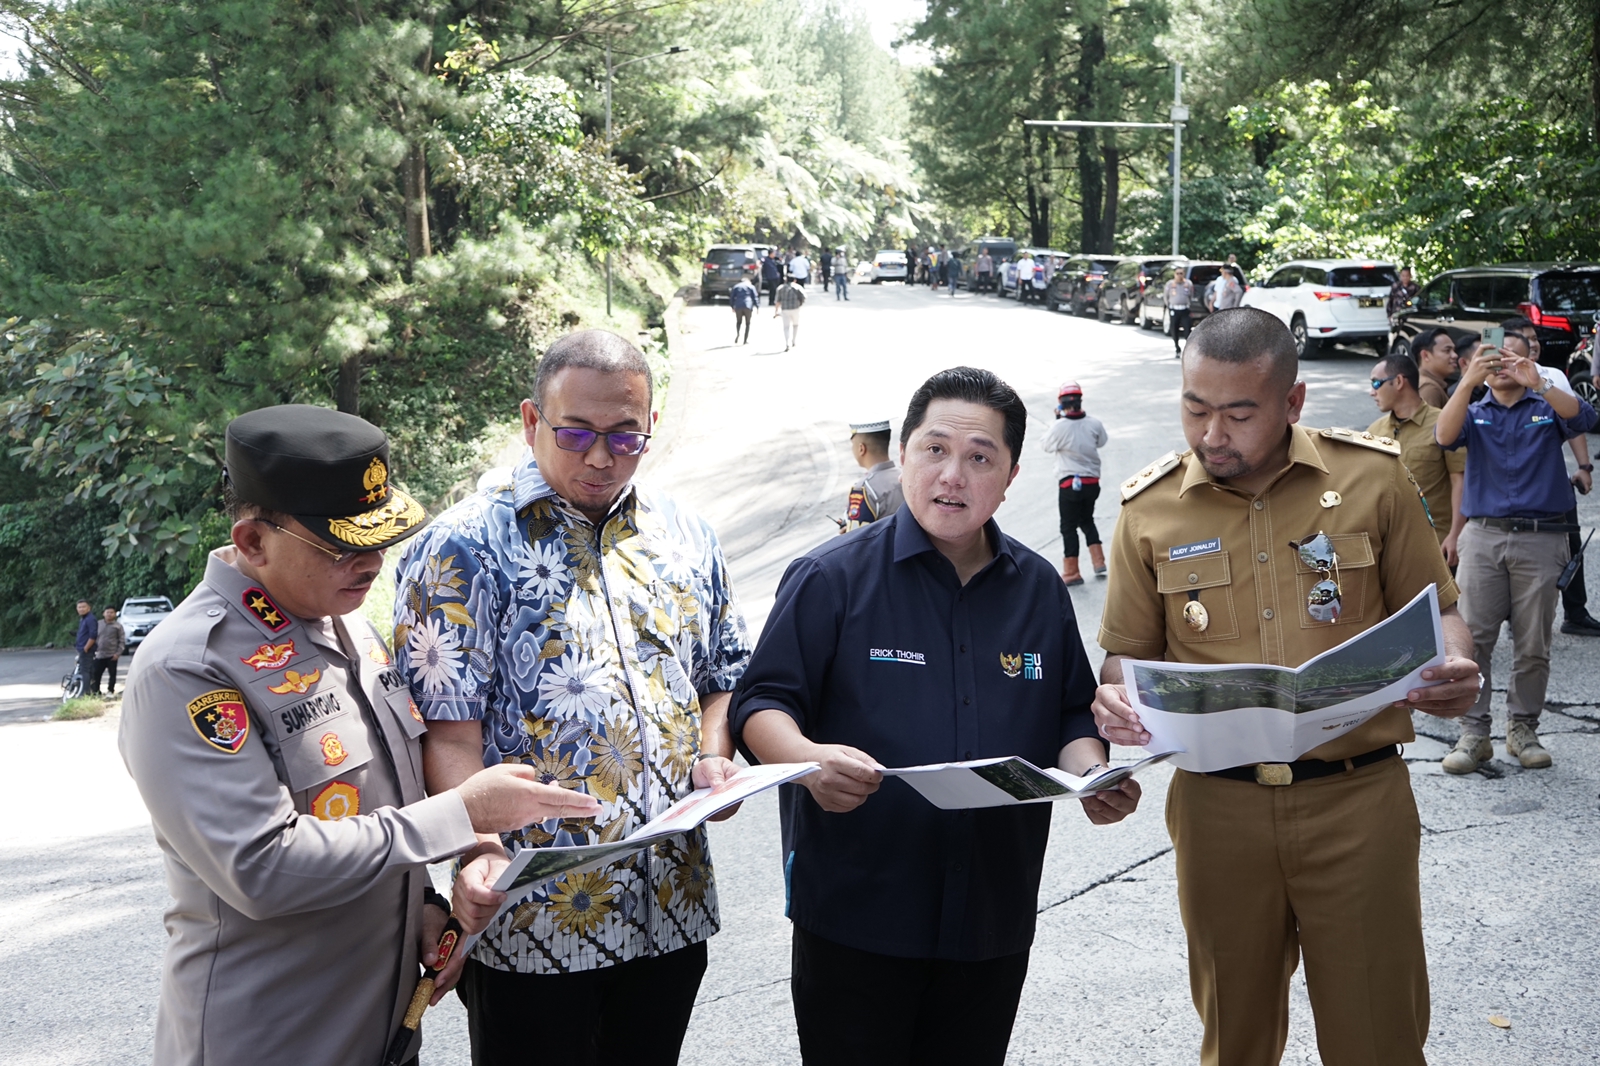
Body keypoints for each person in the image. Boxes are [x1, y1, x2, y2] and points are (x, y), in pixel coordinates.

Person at [118, 404, 600, 1066]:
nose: (372, 562)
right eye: (341, 547)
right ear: (253, 541)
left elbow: (373, 809)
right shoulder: (188, 666)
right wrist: (463, 815)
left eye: (381, 538)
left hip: (382, 1029)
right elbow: (262, 867)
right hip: (272, 1038)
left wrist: (420, 905)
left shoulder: (344, 623)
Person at [1094, 307, 1483, 1066]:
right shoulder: (1150, 509)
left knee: (1378, 1037)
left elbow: (1441, 614)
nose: (1213, 434)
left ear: (1293, 402)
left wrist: (1457, 668)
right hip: (1217, 810)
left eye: (1240, 414)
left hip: (1357, 800)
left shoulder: (1370, 478)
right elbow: (1125, 663)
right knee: (1234, 1037)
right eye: (1195, 409)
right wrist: (1115, 702)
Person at [732, 366, 1141, 1066]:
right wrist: (807, 760)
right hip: (857, 913)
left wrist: (1091, 776)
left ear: (1011, 476)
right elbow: (761, 702)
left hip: (992, 913)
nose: (952, 475)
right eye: (934, 449)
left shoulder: (1038, 589)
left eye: (980, 458)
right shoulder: (832, 577)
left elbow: (1071, 710)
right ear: (904, 455)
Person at [395, 330, 751, 1066]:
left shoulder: (686, 535)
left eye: (625, 435)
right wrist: (479, 851)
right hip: (532, 924)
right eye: (576, 432)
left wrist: (716, 757)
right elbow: (447, 733)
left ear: (650, 424)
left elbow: (721, 677)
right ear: (532, 421)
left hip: (671, 907)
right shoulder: (463, 546)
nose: (600, 457)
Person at [1435, 329, 1598, 773]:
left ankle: (1523, 728)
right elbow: (1444, 437)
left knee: (1533, 643)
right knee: (1473, 641)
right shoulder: (1474, 410)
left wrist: (1540, 382)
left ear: (1528, 362)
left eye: (1511, 357)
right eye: (1493, 358)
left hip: (1542, 538)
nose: (1502, 365)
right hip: (1483, 536)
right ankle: (1474, 734)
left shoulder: (1546, 405)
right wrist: (1468, 382)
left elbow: (1584, 418)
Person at [1500, 316, 1600, 634]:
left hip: (1552, 481)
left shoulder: (1552, 376)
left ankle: (1576, 612)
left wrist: (1584, 466)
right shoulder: (1492, 379)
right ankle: (1515, 616)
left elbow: (1574, 422)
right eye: (1524, 339)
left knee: (1570, 543)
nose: (1533, 345)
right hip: (1509, 487)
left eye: (1534, 338)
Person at [1367, 353, 1467, 565]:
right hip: (1388, 547)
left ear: (1399, 381)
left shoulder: (1443, 424)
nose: (1372, 392)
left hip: (1435, 545)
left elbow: (1460, 481)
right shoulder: (1375, 431)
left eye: (1376, 383)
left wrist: (1456, 534)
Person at [1041, 382, 1109, 586]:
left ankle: (1072, 572)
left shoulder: (1059, 427)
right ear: (1080, 401)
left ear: (1061, 403)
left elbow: (1046, 445)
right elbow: (1101, 442)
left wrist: (1057, 419)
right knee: (1087, 520)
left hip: (1069, 484)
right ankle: (1099, 562)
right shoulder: (1094, 423)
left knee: (1068, 526)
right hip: (1092, 483)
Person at [839, 419, 904, 533]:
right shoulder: (904, 476)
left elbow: (858, 539)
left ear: (861, 449)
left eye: (853, 445)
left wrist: (846, 535)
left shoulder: (864, 489)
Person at [1410, 328, 1458, 408]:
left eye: (1454, 350)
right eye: (1447, 350)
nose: (1455, 355)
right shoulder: (1429, 389)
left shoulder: (1424, 382)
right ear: (1425, 355)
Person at [92, 606, 127, 694]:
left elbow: (122, 640)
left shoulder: (118, 626)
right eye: (107, 612)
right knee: (96, 674)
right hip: (99, 654)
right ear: (103, 613)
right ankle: (96, 691)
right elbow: (92, 637)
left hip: (112, 654)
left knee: (112, 674)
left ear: (115, 614)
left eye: (112, 612)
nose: (109, 614)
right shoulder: (98, 624)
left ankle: (110, 690)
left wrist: (118, 653)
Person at [1164, 266, 1195, 355]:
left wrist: (1189, 305)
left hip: (1184, 309)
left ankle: (1188, 349)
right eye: (1177, 273)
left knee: (1187, 329)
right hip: (1174, 309)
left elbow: (1191, 295)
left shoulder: (1188, 283)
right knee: (1174, 329)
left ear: (1184, 274)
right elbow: (1166, 296)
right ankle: (1177, 348)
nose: (1179, 275)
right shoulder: (1170, 284)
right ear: (1174, 274)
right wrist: (1169, 306)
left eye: (1181, 273)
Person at [775, 273, 806, 350]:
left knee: (786, 327)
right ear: (794, 280)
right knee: (795, 325)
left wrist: (776, 311)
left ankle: (787, 342)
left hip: (785, 309)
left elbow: (777, 301)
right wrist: (800, 304)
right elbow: (804, 297)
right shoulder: (798, 287)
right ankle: (793, 340)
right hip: (795, 308)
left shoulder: (781, 288)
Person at [73, 599, 97, 690]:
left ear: (89, 608)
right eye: (79, 607)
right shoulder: (83, 619)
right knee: (88, 671)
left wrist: (86, 648)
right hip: (81, 648)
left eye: (83, 607)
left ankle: (85, 692)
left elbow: (93, 636)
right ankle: (91, 690)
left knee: (85, 671)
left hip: (87, 650)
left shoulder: (90, 619)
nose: (81, 609)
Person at [729, 274, 759, 345]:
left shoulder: (736, 286)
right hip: (748, 306)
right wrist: (757, 306)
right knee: (747, 323)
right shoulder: (751, 286)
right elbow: (755, 297)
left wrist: (732, 306)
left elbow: (732, 297)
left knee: (738, 322)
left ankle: (738, 334)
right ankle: (745, 340)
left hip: (738, 305)